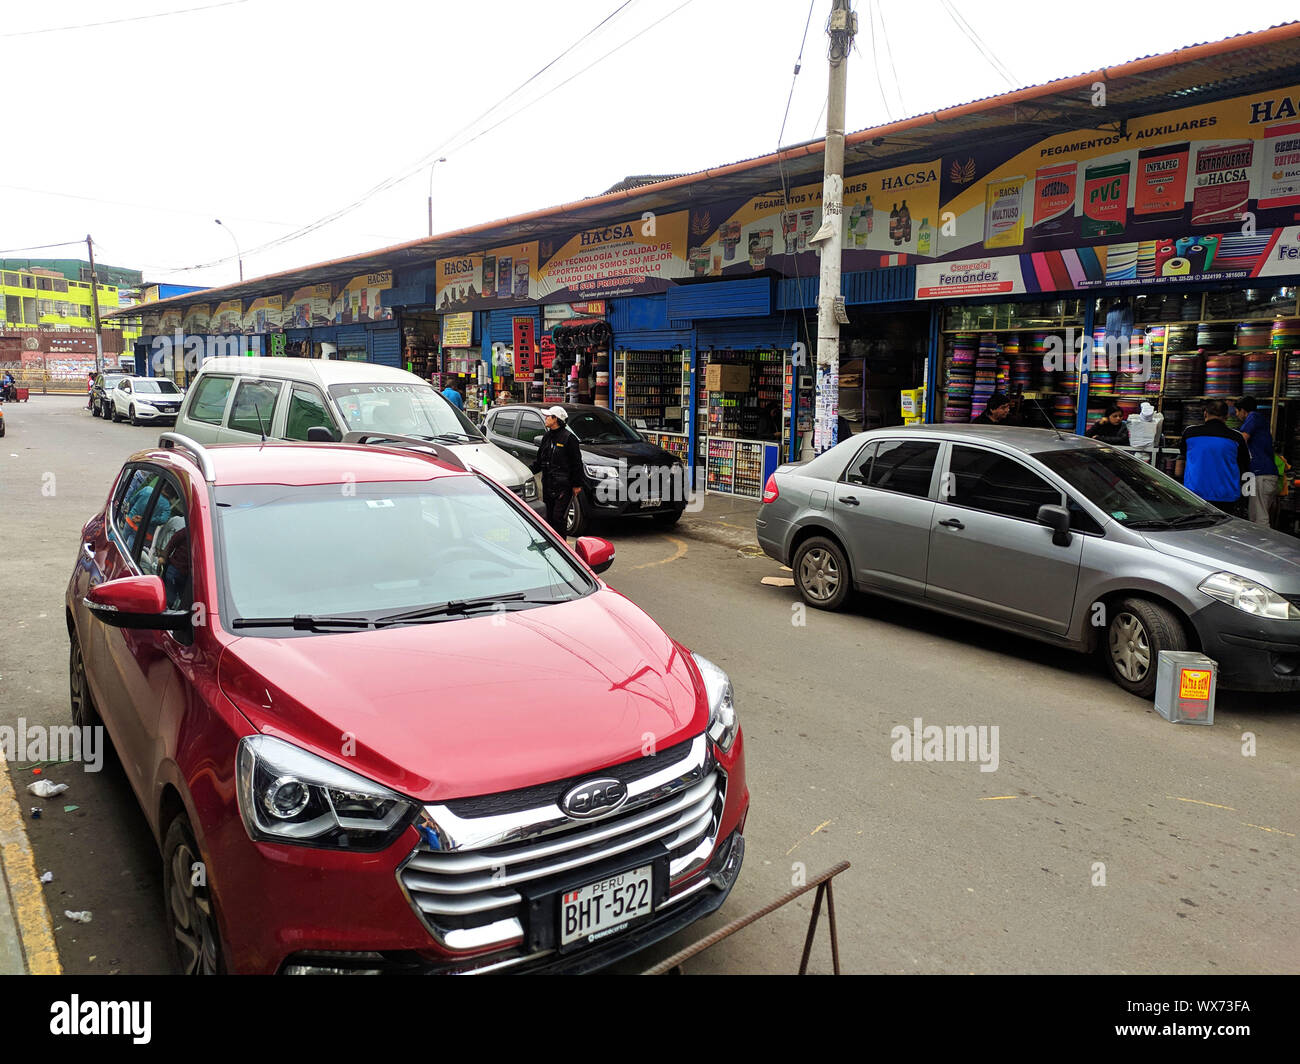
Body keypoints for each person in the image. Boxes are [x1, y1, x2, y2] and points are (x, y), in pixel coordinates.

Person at [1176, 400, 1249, 516]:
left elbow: (1181, 461)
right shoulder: (1236, 437)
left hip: (1194, 495)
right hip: (1227, 498)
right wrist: (1246, 498)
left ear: (1205, 414)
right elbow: (1245, 467)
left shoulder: (1189, 433)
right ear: (1227, 416)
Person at [531, 406, 585, 535]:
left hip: (563, 486)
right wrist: (526, 472)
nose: (545, 418)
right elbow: (539, 462)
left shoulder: (569, 438)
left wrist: (577, 484)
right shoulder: (547, 437)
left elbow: (576, 463)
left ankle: (562, 547)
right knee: (548, 518)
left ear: (555, 419)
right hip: (548, 484)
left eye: (548, 416)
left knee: (558, 518)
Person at [1234, 396, 1277, 527]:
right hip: (1260, 475)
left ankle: (1264, 545)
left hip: (1262, 475)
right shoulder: (1259, 422)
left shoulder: (1253, 416)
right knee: (1255, 516)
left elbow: (1242, 439)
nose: (1236, 415)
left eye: (1236, 411)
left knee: (1260, 519)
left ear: (1242, 410)